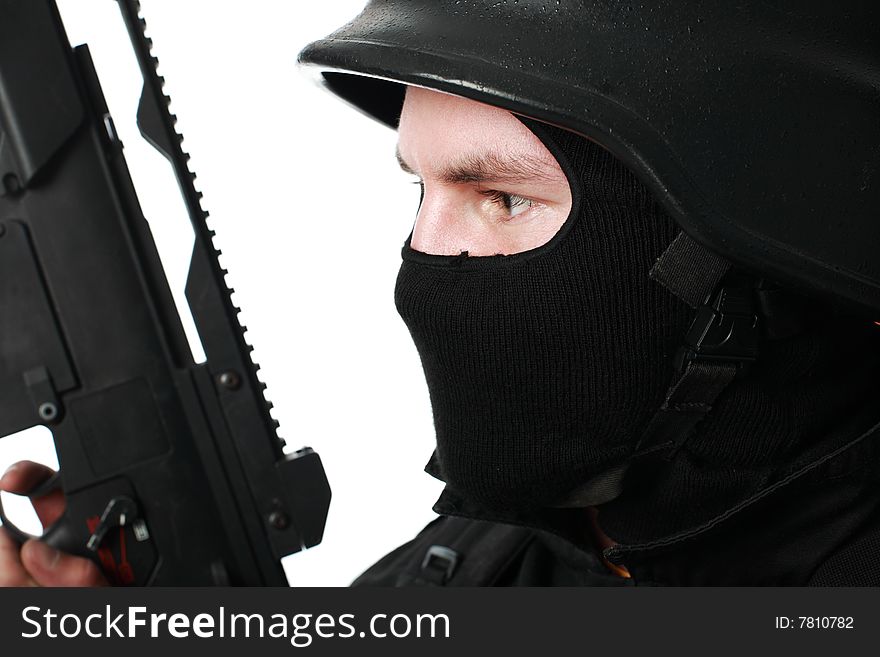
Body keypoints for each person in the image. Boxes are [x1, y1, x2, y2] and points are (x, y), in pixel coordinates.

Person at [4, 0, 880, 586]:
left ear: (756, 245)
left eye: (501, 197)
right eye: (418, 190)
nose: (422, 262)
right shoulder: (495, 549)